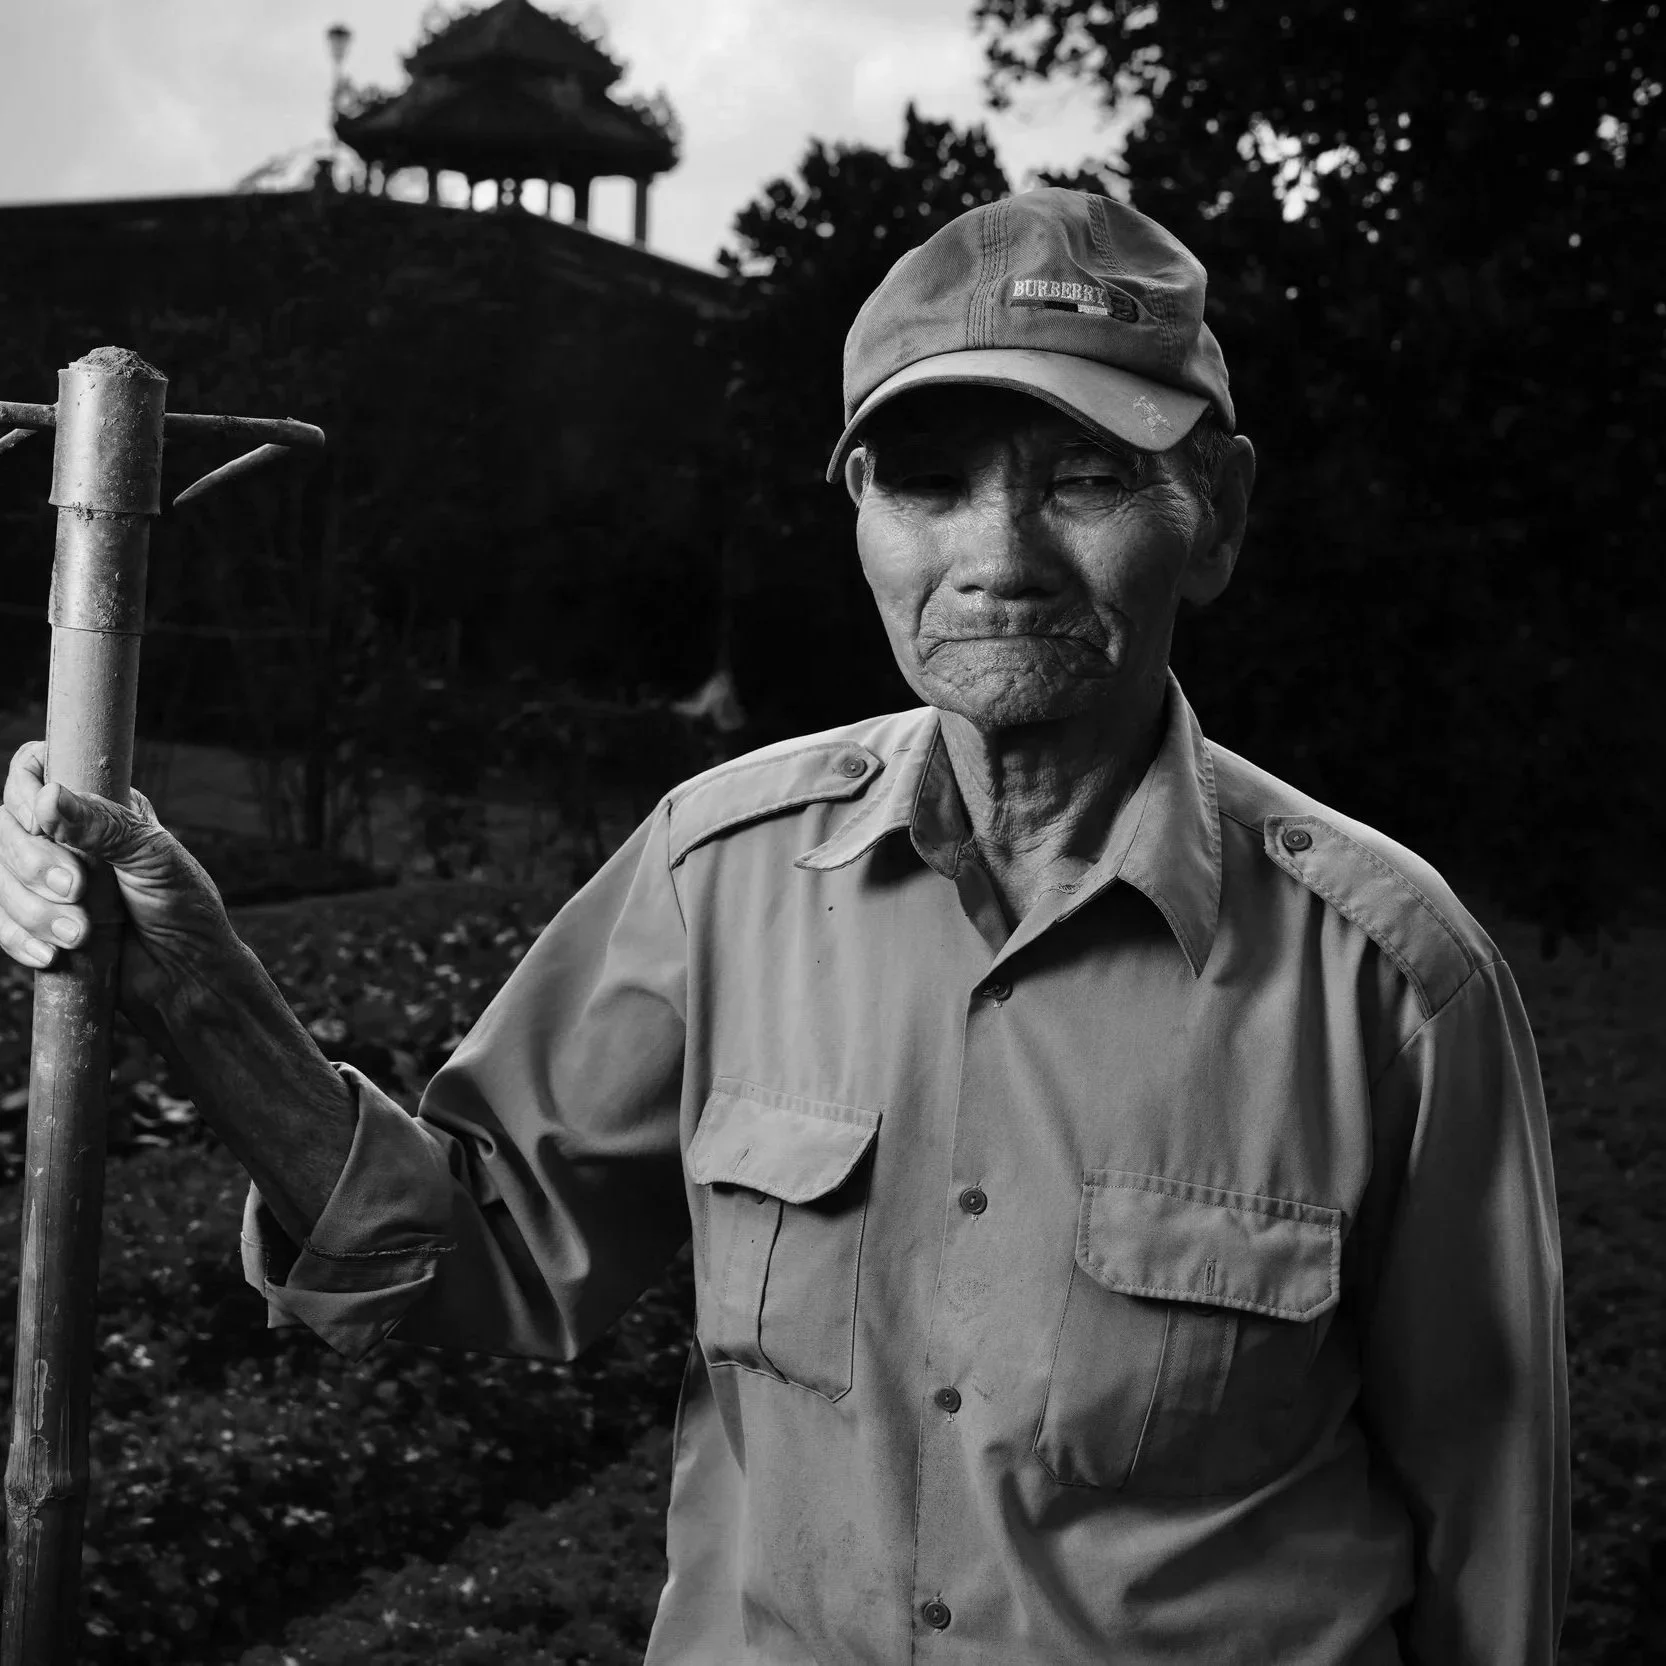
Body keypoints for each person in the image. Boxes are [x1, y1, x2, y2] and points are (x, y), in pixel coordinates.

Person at [0, 189, 1567, 1664]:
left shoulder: (1389, 978)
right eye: (931, 481)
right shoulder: (720, 870)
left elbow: (1486, 1540)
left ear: (1213, 514)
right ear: (862, 514)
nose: (996, 558)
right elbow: (486, 1263)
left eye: (1085, 477)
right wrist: (201, 989)